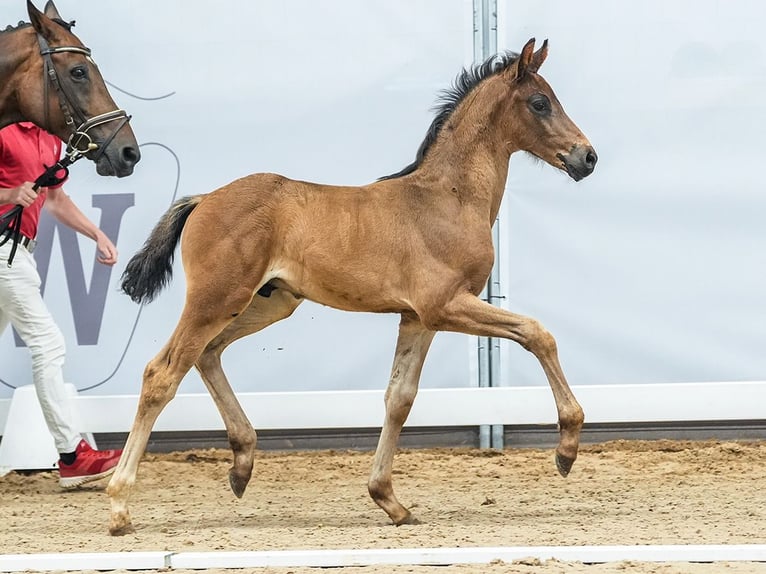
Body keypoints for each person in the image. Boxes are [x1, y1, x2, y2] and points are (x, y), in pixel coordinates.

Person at [0, 122, 122, 488]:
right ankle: (72, 455)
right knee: (48, 343)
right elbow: (16, 194)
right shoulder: (4, 128)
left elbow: (55, 200)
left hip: (19, 249)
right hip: (4, 248)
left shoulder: (50, 138)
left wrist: (96, 234)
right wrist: (7, 194)